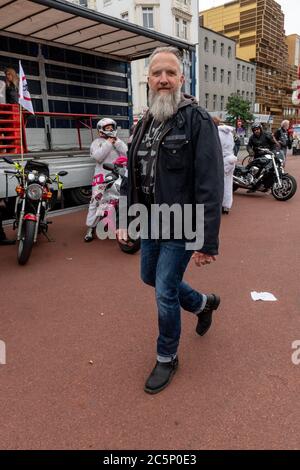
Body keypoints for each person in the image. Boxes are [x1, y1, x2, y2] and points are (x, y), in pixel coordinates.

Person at [117, 46, 224, 394]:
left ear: (181, 79)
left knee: (164, 290)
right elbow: (133, 176)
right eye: (157, 73)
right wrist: (127, 221)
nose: (163, 79)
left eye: (170, 73)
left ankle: (167, 356)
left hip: (182, 221)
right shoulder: (145, 121)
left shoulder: (196, 119)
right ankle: (203, 303)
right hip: (148, 220)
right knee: (149, 276)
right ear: (147, 79)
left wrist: (207, 242)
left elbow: (210, 182)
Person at [84, 118, 127, 242]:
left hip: (117, 175)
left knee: (118, 201)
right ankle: (90, 228)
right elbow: (98, 157)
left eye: (111, 127)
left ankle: (117, 227)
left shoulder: (118, 141)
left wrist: (116, 142)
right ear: (101, 130)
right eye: (107, 128)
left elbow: (127, 153)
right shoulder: (96, 142)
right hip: (101, 178)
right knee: (96, 202)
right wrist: (108, 142)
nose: (110, 130)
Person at [213, 117, 237, 214]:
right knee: (228, 183)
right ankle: (226, 206)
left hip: (222, 160)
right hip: (231, 159)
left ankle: (219, 205)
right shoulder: (229, 133)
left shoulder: (217, 133)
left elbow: (215, 148)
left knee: (219, 184)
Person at [246, 123, 277, 192]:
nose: (256, 131)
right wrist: (251, 151)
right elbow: (248, 146)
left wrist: (274, 151)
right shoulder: (252, 137)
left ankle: (268, 186)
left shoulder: (267, 135)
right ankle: (253, 186)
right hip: (257, 157)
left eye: (257, 129)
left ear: (260, 129)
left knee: (269, 170)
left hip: (267, 156)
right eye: (254, 130)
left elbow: (273, 144)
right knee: (254, 170)